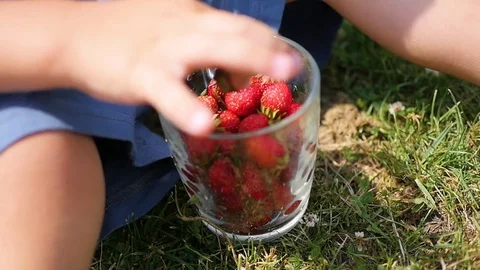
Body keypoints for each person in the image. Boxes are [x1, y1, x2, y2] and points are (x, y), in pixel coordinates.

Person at [2, 0, 480, 269]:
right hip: (34, 50)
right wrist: (71, 36)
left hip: (208, 41)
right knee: (44, 168)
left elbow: (427, 10)